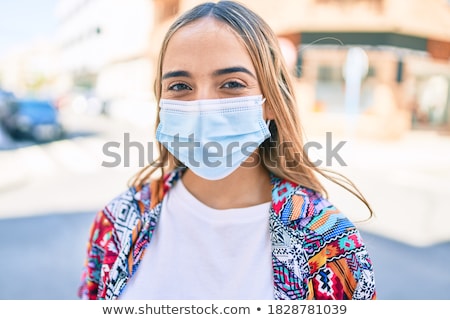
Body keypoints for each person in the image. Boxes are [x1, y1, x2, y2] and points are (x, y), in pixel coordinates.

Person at [78, 0, 376, 300]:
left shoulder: (328, 243)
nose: (202, 106)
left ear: (271, 102)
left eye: (232, 83)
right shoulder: (117, 222)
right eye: (180, 86)